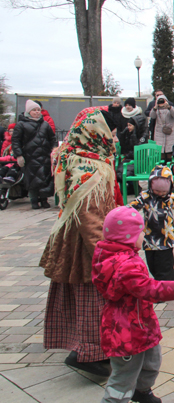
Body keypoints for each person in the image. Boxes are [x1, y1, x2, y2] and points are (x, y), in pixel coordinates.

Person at [40, 106, 119, 377]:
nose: (115, 137)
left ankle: (84, 349)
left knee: (82, 297)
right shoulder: (89, 168)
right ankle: (88, 354)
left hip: (76, 239)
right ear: (95, 131)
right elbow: (90, 214)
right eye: (111, 131)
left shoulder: (80, 156)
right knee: (93, 297)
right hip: (86, 244)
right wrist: (106, 255)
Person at [92, 206, 174, 403]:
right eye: (141, 233)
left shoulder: (116, 254)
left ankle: (142, 390)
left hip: (140, 323)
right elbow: (149, 289)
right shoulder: (127, 264)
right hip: (125, 330)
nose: (144, 236)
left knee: (151, 360)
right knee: (125, 372)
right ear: (128, 237)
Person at [128, 165, 174, 281]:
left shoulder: (170, 197)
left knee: (164, 265)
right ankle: (169, 278)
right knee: (152, 265)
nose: (160, 194)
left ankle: (166, 284)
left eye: (163, 191)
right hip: (150, 237)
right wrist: (125, 212)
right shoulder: (146, 196)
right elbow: (133, 206)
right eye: (157, 191)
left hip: (166, 238)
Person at [12, 100, 56, 209]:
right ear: (28, 111)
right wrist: (19, 155)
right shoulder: (21, 125)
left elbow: (52, 138)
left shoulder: (45, 124)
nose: (37, 112)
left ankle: (44, 199)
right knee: (32, 180)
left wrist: (54, 150)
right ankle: (34, 200)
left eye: (38, 110)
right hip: (29, 156)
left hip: (45, 155)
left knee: (45, 178)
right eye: (34, 110)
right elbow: (16, 141)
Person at [150, 95, 174, 162]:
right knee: (161, 151)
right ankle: (161, 167)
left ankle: (169, 167)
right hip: (159, 133)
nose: (161, 103)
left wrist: (169, 107)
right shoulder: (156, 110)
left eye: (163, 101)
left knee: (169, 150)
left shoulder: (170, 108)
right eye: (159, 101)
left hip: (170, 132)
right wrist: (155, 108)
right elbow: (152, 116)